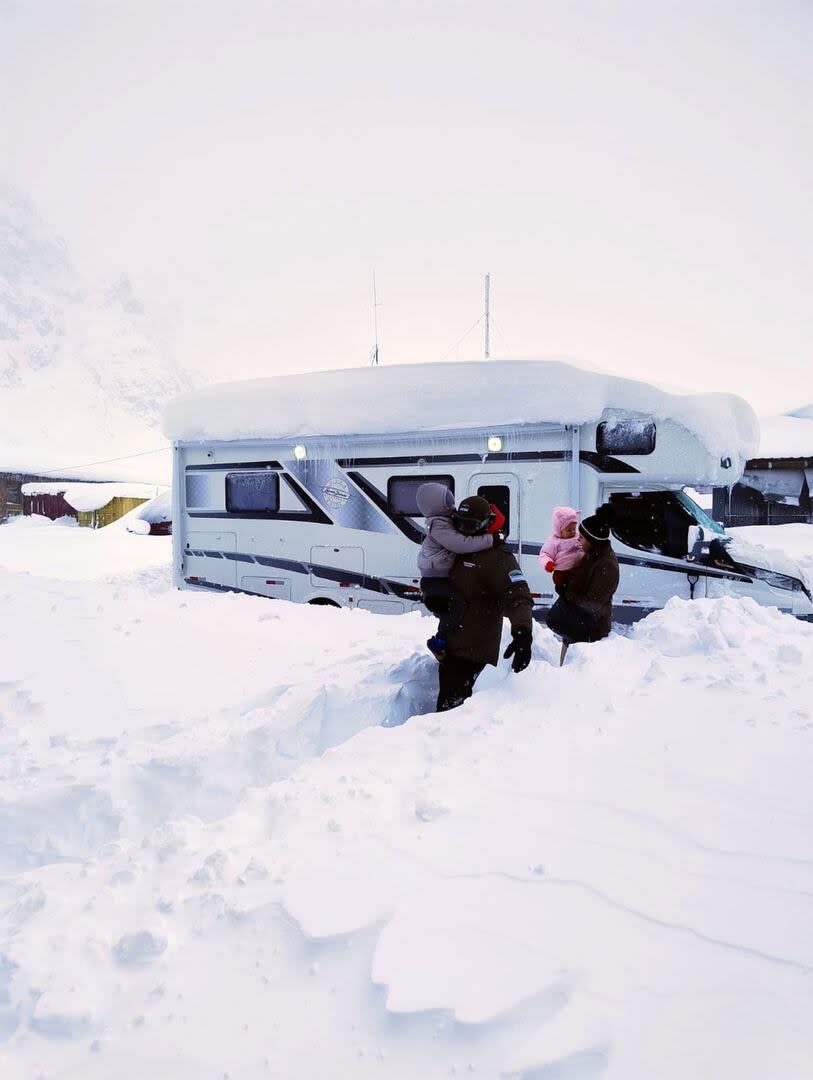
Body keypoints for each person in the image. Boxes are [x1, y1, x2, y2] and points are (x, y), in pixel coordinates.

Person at [434, 494, 534, 712]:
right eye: (458, 523)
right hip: (450, 644)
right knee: (444, 714)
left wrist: (523, 631)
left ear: (485, 525)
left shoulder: (498, 557)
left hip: (473, 653)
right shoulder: (460, 548)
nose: (462, 529)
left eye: (469, 525)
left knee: (453, 718)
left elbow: (518, 595)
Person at [416, 482, 502, 660]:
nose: (452, 504)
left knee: (455, 606)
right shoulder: (438, 525)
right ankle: (439, 641)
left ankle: (449, 637)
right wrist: (490, 540)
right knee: (457, 604)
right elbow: (460, 544)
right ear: (437, 504)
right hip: (434, 580)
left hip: (439, 577)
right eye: (448, 501)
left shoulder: (444, 520)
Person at [546, 512, 619, 666]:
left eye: (582, 537)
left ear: (592, 540)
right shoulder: (589, 556)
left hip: (589, 637)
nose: (578, 539)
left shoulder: (606, 565)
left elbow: (592, 604)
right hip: (576, 631)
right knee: (564, 675)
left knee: (576, 682)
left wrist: (568, 594)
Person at [539, 506, 584, 586]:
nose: (572, 532)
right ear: (559, 530)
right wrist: (548, 563)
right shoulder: (554, 541)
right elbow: (545, 554)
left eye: (574, 529)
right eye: (569, 530)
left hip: (577, 569)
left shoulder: (578, 537)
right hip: (562, 572)